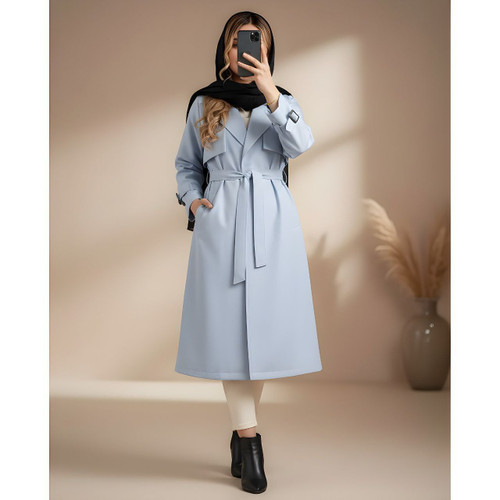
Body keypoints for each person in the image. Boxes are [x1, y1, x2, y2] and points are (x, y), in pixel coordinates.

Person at [174, 11, 323, 494]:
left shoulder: (282, 101)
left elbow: (301, 144)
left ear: (268, 50)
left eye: (256, 42)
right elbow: (186, 165)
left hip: (272, 225)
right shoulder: (204, 102)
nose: (246, 49)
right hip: (221, 224)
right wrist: (192, 199)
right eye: (238, 41)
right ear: (226, 48)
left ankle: (241, 434)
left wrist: (272, 93)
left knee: (260, 336)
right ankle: (250, 440)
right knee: (229, 337)